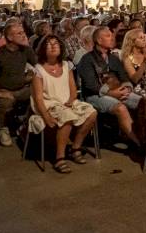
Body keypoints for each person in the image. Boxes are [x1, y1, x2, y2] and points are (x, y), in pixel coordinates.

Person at [31, 35, 97, 173]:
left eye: (56, 44)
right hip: (50, 104)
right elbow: (38, 98)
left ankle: (75, 147)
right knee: (66, 117)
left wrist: (71, 100)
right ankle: (59, 157)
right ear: (43, 49)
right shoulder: (39, 69)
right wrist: (46, 116)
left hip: (67, 102)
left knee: (91, 112)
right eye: (49, 44)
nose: (53, 46)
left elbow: (73, 88)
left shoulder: (66, 65)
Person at [77, 27, 140, 147]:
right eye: (108, 36)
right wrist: (112, 93)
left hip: (117, 91)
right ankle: (137, 142)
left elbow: (124, 77)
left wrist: (127, 88)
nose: (112, 38)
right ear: (99, 40)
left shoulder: (113, 58)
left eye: (112, 35)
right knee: (120, 107)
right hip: (94, 95)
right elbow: (91, 85)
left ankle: (142, 134)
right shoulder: (87, 59)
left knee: (142, 102)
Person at [0, 22, 36, 146]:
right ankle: (3, 129)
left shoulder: (26, 50)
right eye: (19, 33)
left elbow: (39, 66)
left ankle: (26, 125)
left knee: (40, 94)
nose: (24, 35)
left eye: (23, 32)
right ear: (10, 37)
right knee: (6, 102)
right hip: (4, 90)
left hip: (22, 89)